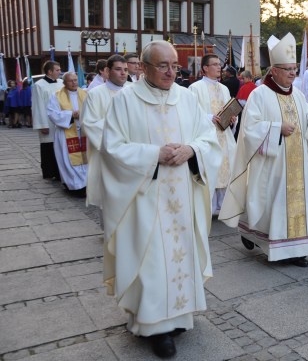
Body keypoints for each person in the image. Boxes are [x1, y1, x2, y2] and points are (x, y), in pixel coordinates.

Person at [100, 40, 221, 358]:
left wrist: (191, 150)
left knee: (180, 257)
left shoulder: (187, 97)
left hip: (182, 193)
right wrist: (154, 154)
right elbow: (111, 149)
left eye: (175, 66)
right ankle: (155, 327)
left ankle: (179, 317)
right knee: (152, 261)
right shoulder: (126, 101)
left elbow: (207, 136)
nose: (170, 72)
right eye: (163, 65)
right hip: (146, 198)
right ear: (143, 67)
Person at [220, 33, 308, 268]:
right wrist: (277, 129)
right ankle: (254, 235)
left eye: (294, 69)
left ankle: (296, 250)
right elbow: (249, 130)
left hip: (296, 164)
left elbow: (307, 127)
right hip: (272, 163)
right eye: (287, 69)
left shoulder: (298, 95)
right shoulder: (259, 94)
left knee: (296, 205)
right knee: (268, 206)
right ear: (274, 71)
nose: (292, 73)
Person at [188, 54, 237, 216]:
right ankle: (208, 206)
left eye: (219, 65)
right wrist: (209, 117)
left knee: (226, 167)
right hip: (207, 136)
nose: (219, 68)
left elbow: (230, 107)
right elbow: (191, 113)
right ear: (205, 68)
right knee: (210, 169)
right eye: (214, 65)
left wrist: (232, 118)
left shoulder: (224, 88)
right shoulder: (195, 88)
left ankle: (223, 205)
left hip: (224, 134)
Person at [80, 55, 130, 209]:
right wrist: (119, 129)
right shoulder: (95, 94)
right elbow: (89, 123)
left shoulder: (133, 91)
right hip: (107, 153)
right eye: (118, 69)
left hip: (132, 152)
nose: (123, 73)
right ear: (107, 71)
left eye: (125, 70)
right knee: (108, 201)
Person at [47, 72, 88, 196]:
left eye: (75, 80)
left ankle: (86, 184)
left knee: (86, 160)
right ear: (64, 83)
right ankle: (74, 186)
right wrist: (71, 115)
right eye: (71, 81)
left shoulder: (86, 94)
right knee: (68, 160)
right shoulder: (56, 96)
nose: (74, 83)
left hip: (84, 132)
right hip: (66, 132)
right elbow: (52, 113)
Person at [32, 61, 63, 179]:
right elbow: (37, 105)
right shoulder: (39, 85)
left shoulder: (61, 83)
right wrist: (42, 124)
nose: (60, 72)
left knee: (59, 147)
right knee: (48, 146)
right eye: (57, 70)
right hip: (47, 121)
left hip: (60, 120)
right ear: (50, 71)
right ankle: (49, 172)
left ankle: (59, 171)